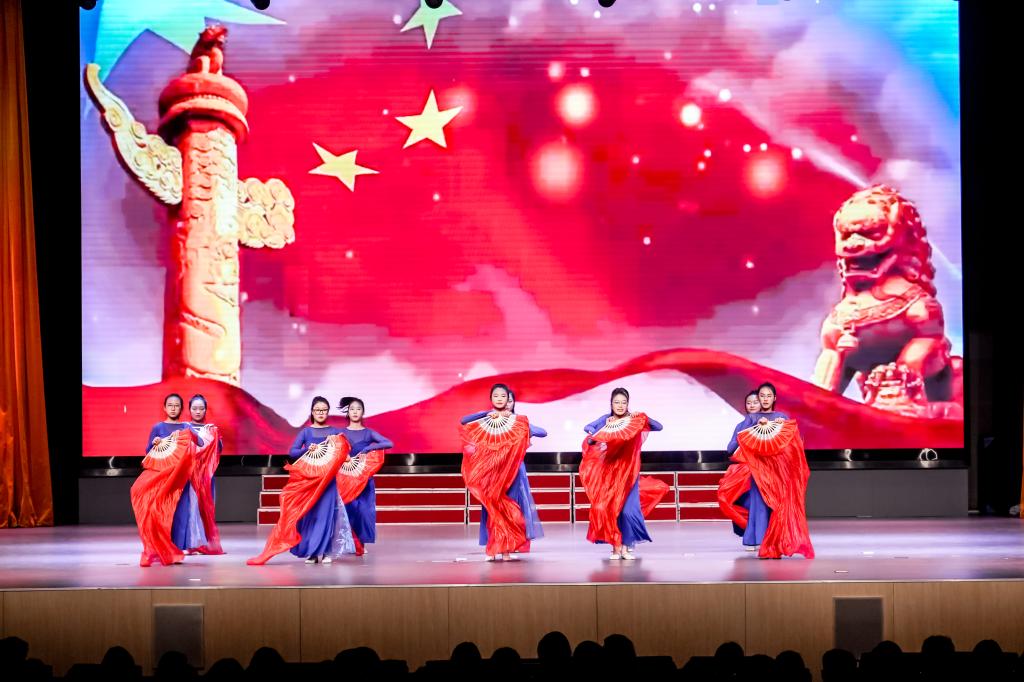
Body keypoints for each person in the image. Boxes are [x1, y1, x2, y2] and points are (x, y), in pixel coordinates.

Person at [247, 397, 355, 565]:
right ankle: (313, 553)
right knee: (311, 516)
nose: (321, 413)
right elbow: (293, 452)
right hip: (309, 481)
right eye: (318, 410)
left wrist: (343, 453)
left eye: (324, 410)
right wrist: (307, 450)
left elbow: (344, 451)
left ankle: (326, 551)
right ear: (312, 412)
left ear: (327, 412)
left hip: (328, 482)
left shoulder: (334, 432)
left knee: (326, 516)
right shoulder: (306, 432)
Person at [718, 383, 814, 559]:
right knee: (760, 506)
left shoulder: (781, 417)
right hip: (759, 472)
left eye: (769, 395)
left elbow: (793, 445)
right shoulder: (751, 419)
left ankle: (778, 542)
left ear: (774, 398)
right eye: (762, 395)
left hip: (778, 472)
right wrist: (753, 429)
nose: (765, 399)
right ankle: (761, 541)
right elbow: (732, 446)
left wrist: (782, 428)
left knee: (778, 506)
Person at [579, 388, 667, 559]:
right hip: (610, 473)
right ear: (611, 404)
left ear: (628, 404)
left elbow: (658, 427)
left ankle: (626, 548)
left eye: (623, 402)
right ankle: (616, 548)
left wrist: (642, 417)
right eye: (616, 402)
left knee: (628, 511)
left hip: (629, 473)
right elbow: (588, 428)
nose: (620, 405)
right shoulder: (606, 419)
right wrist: (600, 431)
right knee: (612, 510)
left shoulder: (633, 420)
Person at [460, 383, 545, 561]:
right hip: (492, 471)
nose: (500, 400)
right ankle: (493, 547)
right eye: (496, 396)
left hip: (511, 472)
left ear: (510, 401)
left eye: (504, 397)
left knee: (509, 508)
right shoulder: (486, 419)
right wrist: (486, 414)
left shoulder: (517, 422)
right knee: (492, 508)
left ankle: (506, 548)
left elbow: (542, 432)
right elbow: (464, 421)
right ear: (491, 399)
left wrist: (517, 422)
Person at [131, 393, 197, 566]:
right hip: (161, 477)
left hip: (179, 479)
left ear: (181, 408)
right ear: (165, 408)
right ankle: (155, 549)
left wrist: (185, 434)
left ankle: (173, 551)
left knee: (178, 516)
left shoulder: (186, 426)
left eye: (176, 405)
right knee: (156, 513)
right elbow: (148, 452)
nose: (173, 408)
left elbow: (199, 443)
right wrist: (156, 443)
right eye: (170, 405)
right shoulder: (158, 427)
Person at [335, 397, 393, 556]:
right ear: (347, 412)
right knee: (349, 509)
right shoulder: (341, 433)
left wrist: (368, 448)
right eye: (352, 409)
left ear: (363, 412)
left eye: (358, 409)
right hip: (346, 477)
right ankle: (351, 543)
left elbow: (388, 443)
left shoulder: (368, 433)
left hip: (363, 478)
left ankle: (361, 542)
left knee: (364, 511)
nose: (355, 412)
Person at [184, 394, 224, 554]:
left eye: (201, 408)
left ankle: (203, 543)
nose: (198, 411)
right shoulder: (185, 428)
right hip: (188, 475)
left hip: (206, 476)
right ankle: (189, 543)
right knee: (189, 509)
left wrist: (216, 438)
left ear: (206, 410)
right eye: (194, 408)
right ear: (189, 410)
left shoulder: (212, 429)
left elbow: (218, 450)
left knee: (204, 508)